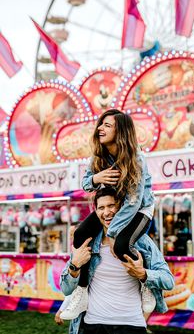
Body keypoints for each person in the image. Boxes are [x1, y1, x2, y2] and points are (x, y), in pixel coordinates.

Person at [60, 109, 156, 320]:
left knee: (121, 244)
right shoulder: (99, 155)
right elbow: (86, 183)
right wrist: (97, 177)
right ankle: (81, 292)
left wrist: (112, 234)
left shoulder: (137, 158)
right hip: (114, 206)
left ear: (120, 131)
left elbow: (133, 202)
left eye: (107, 125)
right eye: (101, 124)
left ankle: (146, 285)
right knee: (80, 234)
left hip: (139, 208)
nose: (100, 128)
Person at [60, 187, 175, 334]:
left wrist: (143, 274)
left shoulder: (141, 241)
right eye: (101, 207)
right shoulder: (87, 242)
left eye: (111, 206)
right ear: (95, 212)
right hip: (93, 325)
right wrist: (74, 266)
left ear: (122, 208)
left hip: (131, 324)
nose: (106, 212)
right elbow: (65, 289)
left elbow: (168, 280)